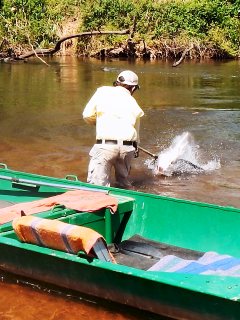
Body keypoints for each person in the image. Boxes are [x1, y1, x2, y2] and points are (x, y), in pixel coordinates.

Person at [82, 70, 144, 187]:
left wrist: (98, 122)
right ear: (133, 88)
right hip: (127, 148)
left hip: (106, 146)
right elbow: (136, 132)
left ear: (117, 83)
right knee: (123, 185)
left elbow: (87, 115)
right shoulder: (133, 102)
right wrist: (135, 147)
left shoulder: (102, 92)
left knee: (97, 186)